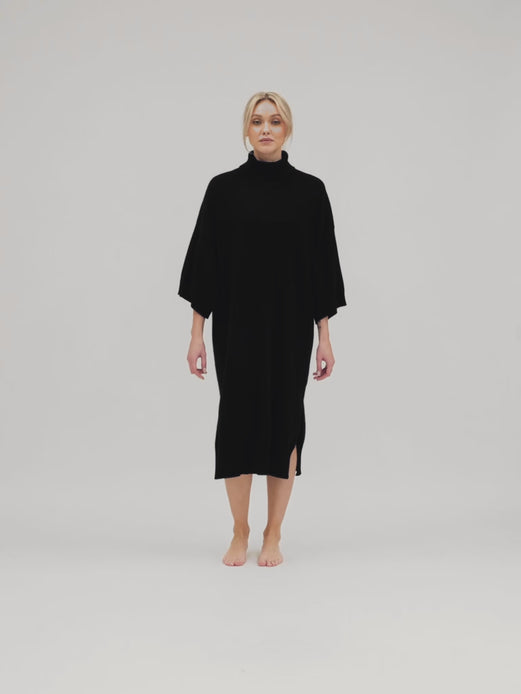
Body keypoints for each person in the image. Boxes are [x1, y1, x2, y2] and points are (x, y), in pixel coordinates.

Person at [178, 91, 347, 567]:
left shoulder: (310, 192)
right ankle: (240, 529)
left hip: (290, 329)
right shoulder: (222, 190)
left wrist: (325, 337)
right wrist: (196, 334)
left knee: (284, 422)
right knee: (236, 423)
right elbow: (205, 264)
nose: (266, 129)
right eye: (257, 121)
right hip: (237, 327)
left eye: (274, 121)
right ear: (246, 130)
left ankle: (274, 531)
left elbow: (321, 268)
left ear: (287, 129)